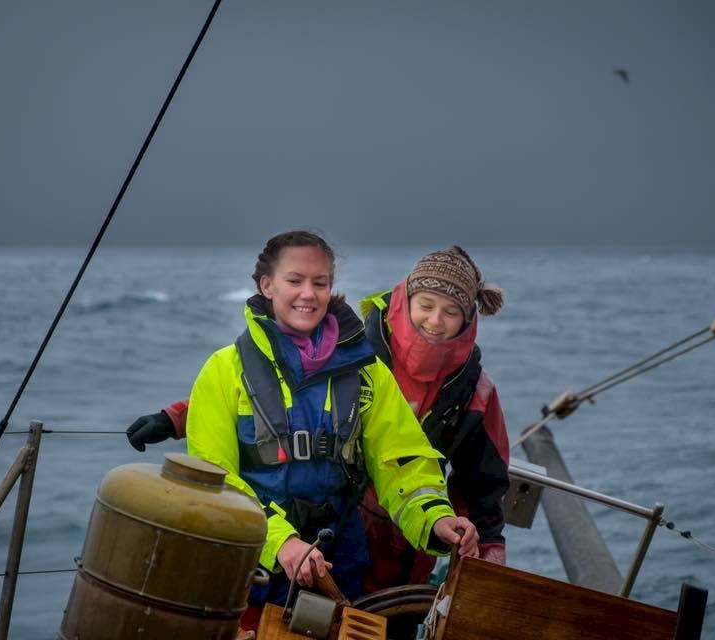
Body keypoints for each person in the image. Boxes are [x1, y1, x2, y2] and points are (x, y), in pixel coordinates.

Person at [139, 231, 479, 626]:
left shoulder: (367, 373)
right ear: (267, 285)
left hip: (339, 569)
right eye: (294, 280)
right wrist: (282, 542)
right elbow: (218, 483)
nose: (308, 293)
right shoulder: (223, 370)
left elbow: (402, 461)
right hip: (249, 571)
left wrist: (436, 518)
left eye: (320, 283)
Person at [358, 246, 510, 593]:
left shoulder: (476, 390)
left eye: (451, 311)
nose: (435, 321)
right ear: (405, 298)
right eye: (426, 305)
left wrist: (486, 551)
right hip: (331, 529)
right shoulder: (351, 354)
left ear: (468, 318)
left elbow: (483, 482)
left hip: (413, 541)